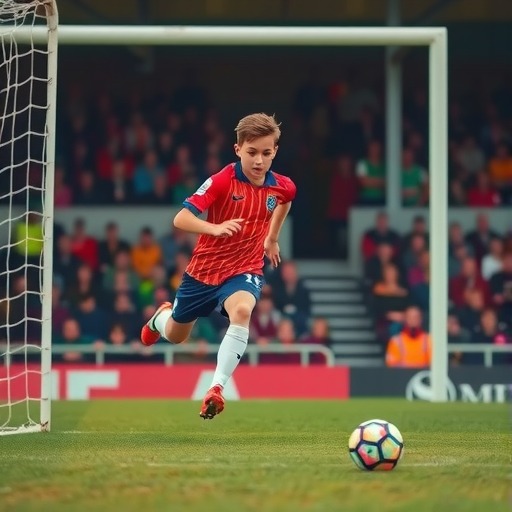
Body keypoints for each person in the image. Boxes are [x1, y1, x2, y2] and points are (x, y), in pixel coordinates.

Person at [139, 113, 296, 419]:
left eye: (266, 153)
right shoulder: (223, 180)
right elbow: (180, 218)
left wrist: (272, 238)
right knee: (176, 335)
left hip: (244, 269)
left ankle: (216, 388)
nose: (259, 161)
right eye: (252, 152)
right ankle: (160, 319)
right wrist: (214, 228)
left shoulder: (283, 186)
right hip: (203, 274)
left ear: (275, 151)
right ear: (238, 149)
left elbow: (286, 201)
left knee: (242, 311)